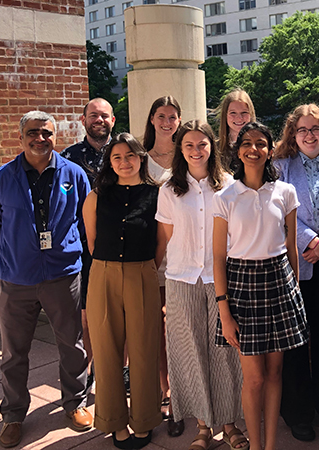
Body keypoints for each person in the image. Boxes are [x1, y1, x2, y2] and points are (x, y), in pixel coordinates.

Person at [0, 110, 92, 448]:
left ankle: (75, 403)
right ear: (21, 136)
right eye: (33, 132)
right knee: (14, 352)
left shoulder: (74, 174)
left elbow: (86, 220)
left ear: (55, 137)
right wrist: (18, 248)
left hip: (62, 274)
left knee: (71, 345)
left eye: (46, 133)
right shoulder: (0, 178)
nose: (39, 139)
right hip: (18, 278)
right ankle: (13, 414)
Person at [212, 122, 309, 450]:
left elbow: (292, 247)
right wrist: (224, 311)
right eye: (247, 143)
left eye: (261, 143)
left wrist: (294, 290)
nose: (253, 149)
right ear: (238, 150)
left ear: (270, 150)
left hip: (279, 283)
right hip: (241, 286)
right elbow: (217, 257)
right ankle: (255, 447)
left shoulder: (285, 192)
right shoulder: (225, 196)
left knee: (275, 374)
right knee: (253, 378)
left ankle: (269, 446)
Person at [155, 120, 246, 450]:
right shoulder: (168, 189)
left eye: (202, 144)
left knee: (225, 352)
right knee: (190, 352)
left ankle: (230, 424)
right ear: (180, 148)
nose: (196, 151)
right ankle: (203, 426)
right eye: (189, 145)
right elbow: (164, 237)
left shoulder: (229, 186)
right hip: (181, 280)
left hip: (220, 279)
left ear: (212, 147)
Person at [83, 133, 166, 449]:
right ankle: (113, 422)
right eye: (117, 157)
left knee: (145, 348)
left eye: (130, 155)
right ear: (110, 162)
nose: (124, 162)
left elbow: (161, 241)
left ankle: (145, 419)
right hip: (103, 275)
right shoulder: (96, 196)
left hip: (142, 272)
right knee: (106, 351)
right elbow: (91, 243)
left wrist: (143, 268)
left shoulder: (156, 195)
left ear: (141, 158)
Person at [273, 104, 319, 441]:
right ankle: (298, 412)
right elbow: (278, 211)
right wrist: (309, 240)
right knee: (297, 344)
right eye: (302, 129)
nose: (310, 134)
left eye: (316, 128)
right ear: (293, 134)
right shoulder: (281, 167)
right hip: (297, 267)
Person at [61, 97, 116, 387]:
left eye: (105, 116)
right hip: (83, 248)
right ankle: (90, 370)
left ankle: (121, 370)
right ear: (83, 120)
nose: (99, 120)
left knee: (119, 311)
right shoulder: (67, 159)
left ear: (113, 121)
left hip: (120, 243)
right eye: (93, 115)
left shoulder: (125, 152)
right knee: (87, 314)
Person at [141, 95, 183, 435]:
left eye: (172, 116)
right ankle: (165, 394)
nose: (167, 122)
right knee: (156, 332)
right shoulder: (141, 161)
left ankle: (184, 397)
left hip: (185, 261)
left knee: (180, 334)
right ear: (152, 120)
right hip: (153, 257)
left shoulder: (188, 157)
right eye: (161, 116)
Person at [216, 89, 256, 173]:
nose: (239, 118)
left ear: (251, 114)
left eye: (244, 112)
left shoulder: (261, 147)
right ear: (225, 115)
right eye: (233, 113)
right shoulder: (214, 149)